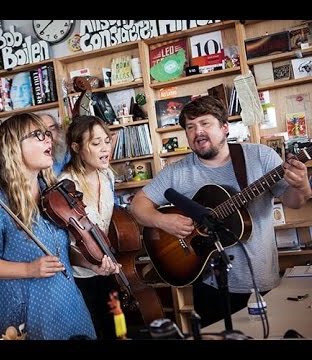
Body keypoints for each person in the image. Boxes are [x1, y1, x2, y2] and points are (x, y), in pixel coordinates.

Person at [130, 95, 312, 327]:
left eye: (205, 123)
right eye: (190, 127)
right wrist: (163, 222)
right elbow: (138, 204)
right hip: (208, 283)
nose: (198, 132)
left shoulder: (260, 156)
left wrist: (302, 186)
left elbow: (293, 201)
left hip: (260, 279)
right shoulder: (178, 171)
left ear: (225, 127)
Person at [0, 112, 109, 340]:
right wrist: (29, 269)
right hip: (27, 314)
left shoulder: (53, 195)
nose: (48, 139)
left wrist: (91, 264)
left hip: (68, 307)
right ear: (13, 146)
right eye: (37, 135)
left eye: (48, 134)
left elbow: (58, 254)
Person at [57, 115, 120, 339]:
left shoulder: (107, 175)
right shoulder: (65, 185)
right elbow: (61, 242)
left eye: (106, 140)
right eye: (95, 143)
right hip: (80, 277)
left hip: (107, 270)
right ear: (76, 147)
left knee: (117, 331)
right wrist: (92, 265)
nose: (105, 148)